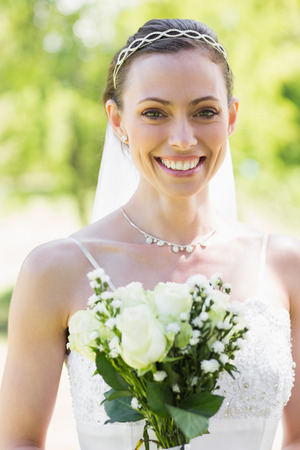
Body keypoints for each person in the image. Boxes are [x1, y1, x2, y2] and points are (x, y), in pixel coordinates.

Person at [0, 17, 299, 450]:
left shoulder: (285, 266)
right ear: (117, 119)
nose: (182, 138)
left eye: (205, 112)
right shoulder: (55, 270)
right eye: (154, 113)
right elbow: (18, 441)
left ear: (231, 117)